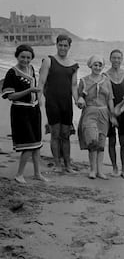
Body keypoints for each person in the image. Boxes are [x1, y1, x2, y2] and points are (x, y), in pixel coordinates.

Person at [1, 44, 49, 183]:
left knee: (37, 144)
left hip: (34, 110)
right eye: (22, 57)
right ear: (17, 56)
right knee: (28, 145)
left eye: (28, 57)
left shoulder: (31, 68)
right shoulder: (12, 72)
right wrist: (28, 91)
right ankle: (19, 174)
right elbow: (10, 96)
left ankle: (37, 173)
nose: (25, 60)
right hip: (20, 112)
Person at [38, 34, 79, 173]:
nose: (62, 47)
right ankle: (57, 164)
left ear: (69, 47)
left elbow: (74, 86)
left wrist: (77, 99)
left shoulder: (73, 64)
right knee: (55, 134)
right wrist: (39, 99)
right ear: (56, 45)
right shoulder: (49, 61)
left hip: (66, 103)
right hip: (52, 103)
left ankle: (67, 165)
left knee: (66, 134)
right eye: (60, 45)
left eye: (65, 45)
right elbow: (42, 82)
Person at [77, 55, 117, 180]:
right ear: (90, 65)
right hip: (89, 112)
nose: (97, 67)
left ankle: (100, 171)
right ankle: (92, 170)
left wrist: (113, 115)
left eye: (100, 65)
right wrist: (80, 101)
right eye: (95, 65)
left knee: (101, 142)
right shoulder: (84, 81)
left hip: (104, 112)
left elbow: (110, 99)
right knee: (92, 141)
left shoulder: (106, 81)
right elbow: (79, 99)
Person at [105, 49, 124, 178]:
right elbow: (104, 97)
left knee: (123, 141)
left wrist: (120, 111)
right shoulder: (105, 75)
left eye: (118, 58)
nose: (116, 60)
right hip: (109, 111)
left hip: (123, 111)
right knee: (111, 140)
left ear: (122, 59)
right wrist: (111, 115)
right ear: (110, 59)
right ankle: (114, 167)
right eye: (114, 58)